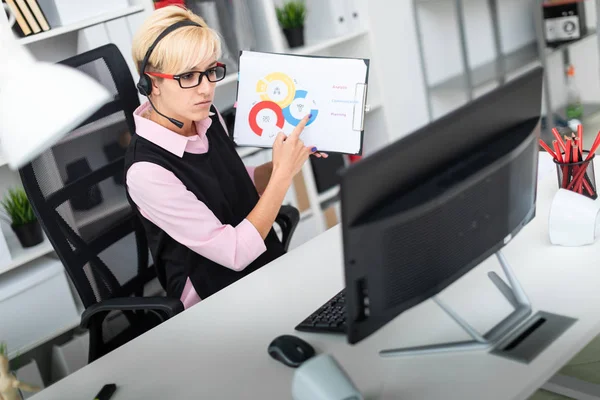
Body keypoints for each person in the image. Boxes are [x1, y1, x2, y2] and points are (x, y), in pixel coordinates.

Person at [125, 5, 325, 309]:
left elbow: (236, 182)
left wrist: (290, 158)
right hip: (214, 299)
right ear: (151, 83)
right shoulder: (146, 172)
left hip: (260, 266)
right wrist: (284, 175)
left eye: (210, 71)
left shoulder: (206, 117)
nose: (206, 88)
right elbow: (234, 252)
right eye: (189, 76)